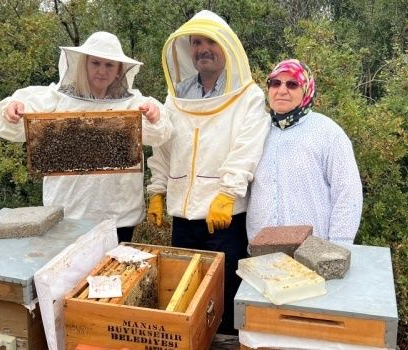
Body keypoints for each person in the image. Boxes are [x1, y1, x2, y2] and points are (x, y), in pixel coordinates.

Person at [146, 10, 270, 335]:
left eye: (210, 41)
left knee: (224, 295)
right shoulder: (178, 96)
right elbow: (163, 148)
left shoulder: (248, 98)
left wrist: (227, 195)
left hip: (224, 219)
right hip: (184, 219)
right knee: (185, 289)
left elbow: (247, 150)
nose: (203, 48)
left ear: (226, 47)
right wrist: (157, 191)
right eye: (196, 42)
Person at [0, 31, 172, 243]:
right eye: (95, 63)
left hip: (118, 215)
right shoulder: (57, 99)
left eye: (109, 65)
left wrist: (153, 115)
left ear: (118, 71)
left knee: (113, 273)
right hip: (68, 212)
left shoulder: (133, 103)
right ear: (84, 64)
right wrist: (13, 110)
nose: (101, 71)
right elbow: (18, 117)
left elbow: (160, 133)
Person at [247, 59, 363, 243]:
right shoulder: (256, 131)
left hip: (312, 253)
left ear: (306, 90)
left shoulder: (327, 132)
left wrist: (339, 246)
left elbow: (348, 193)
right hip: (261, 252)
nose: (282, 90)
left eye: (292, 84)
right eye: (275, 83)